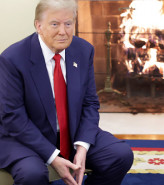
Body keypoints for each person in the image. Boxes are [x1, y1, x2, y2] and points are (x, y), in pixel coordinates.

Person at [0, 0, 133, 185]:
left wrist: (82, 147)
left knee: (120, 155)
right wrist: (52, 156)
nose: (63, 31)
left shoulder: (83, 50)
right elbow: (13, 117)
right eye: (54, 24)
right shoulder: (12, 59)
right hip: (25, 138)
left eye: (68, 23)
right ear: (38, 25)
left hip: (70, 132)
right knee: (33, 174)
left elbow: (90, 103)